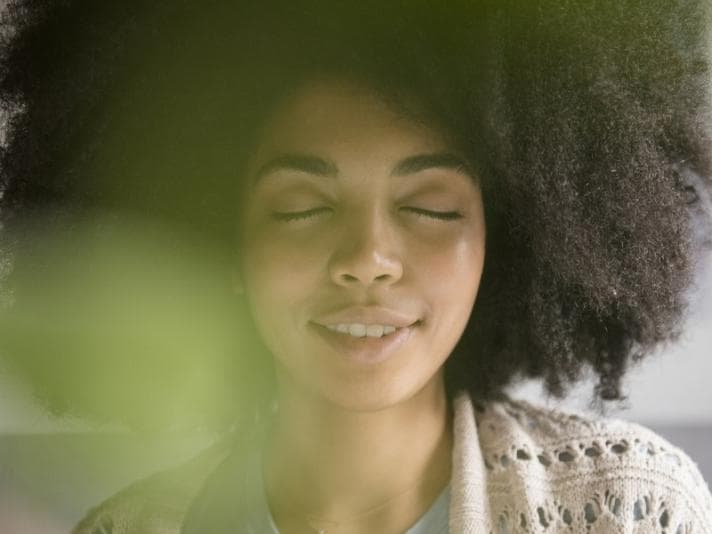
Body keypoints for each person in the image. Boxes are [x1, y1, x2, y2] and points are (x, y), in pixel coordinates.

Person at [1, 0, 712, 532]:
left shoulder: (637, 509)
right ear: (222, 246)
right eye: (302, 208)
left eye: (431, 207)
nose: (367, 259)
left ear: (507, 241)